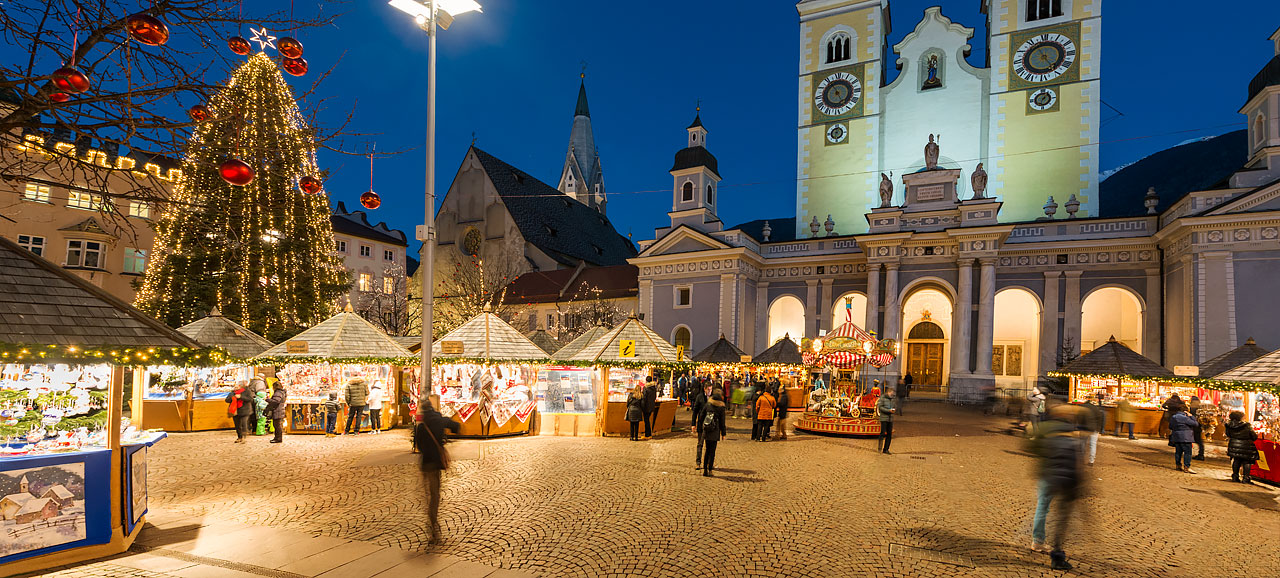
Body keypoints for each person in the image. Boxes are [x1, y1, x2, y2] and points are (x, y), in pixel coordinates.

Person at [1027, 404, 1085, 571]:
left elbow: (1031, 447)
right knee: (1062, 516)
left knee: (1042, 507)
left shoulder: (1044, 428)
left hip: (1047, 474)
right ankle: (1057, 551)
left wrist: (1044, 456)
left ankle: (1037, 541)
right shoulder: (1072, 432)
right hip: (1066, 479)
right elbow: (1077, 457)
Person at [413, 399, 461, 544]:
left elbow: (418, 445)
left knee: (428, 496)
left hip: (425, 464)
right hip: (436, 463)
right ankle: (433, 527)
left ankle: (432, 524)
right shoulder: (440, 420)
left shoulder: (421, 426)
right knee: (435, 496)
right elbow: (456, 426)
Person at [1224, 410, 1259, 483]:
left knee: (1236, 460)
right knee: (1247, 461)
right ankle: (1246, 478)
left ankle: (1235, 476)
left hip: (1234, 445)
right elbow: (1253, 436)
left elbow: (1228, 434)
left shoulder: (1229, 425)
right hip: (1246, 445)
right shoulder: (1246, 425)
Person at [701, 391, 727, 477]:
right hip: (715, 430)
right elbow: (722, 422)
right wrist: (723, 433)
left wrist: (701, 427)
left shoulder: (707, 405)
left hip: (707, 429)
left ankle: (705, 469)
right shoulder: (721, 408)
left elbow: (701, 416)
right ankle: (710, 469)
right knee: (712, 451)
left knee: (707, 450)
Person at [1169, 408, 1198, 473]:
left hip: (1177, 437)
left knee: (1178, 452)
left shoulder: (1174, 417)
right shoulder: (1186, 418)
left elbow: (1170, 426)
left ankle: (1178, 465)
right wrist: (1191, 416)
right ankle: (1186, 467)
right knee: (1187, 453)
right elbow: (1195, 424)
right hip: (1186, 438)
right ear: (1185, 411)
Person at [693, 383, 711, 468]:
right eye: (708, 390)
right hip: (701, 423)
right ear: (705, 389)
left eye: (711, 390)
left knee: (709, 445)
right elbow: (695, 411)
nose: (709, 392)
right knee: (700, 444)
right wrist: (693, 424)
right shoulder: (700, 397)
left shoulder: (713, 398)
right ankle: (698, 462)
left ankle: (708, 463)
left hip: (710, 425)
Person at [1082, 395, 1104, 465]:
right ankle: (1091, 460)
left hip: (1084, 428)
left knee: (1083, 444)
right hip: (1094, 428)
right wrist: (1099, 429)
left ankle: (1081, 459)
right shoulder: (1095, 408)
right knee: (1093, 444)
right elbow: (1100, 418)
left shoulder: (1082, 407)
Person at [876, 387, 896, 454]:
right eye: (891, 393)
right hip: (884, 418)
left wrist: (893, 410)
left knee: (889, 434)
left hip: (890, 419)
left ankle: (886, 449)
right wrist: (888, 410)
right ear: (888, 392)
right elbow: (880, 407)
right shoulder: (883, 398)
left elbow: (894, 406)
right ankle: (880, 448)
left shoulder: (892, 399)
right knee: (882, 433)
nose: (892, 394)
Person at [1188, 395, 1205, 460]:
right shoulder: (1200, 406)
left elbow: (1191, 415)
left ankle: (1190, 453)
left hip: (1193, 425)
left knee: (1192, 439)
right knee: (1199, 441)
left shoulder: (1192, 406)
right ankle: (1201, 454)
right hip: (1198, 425)